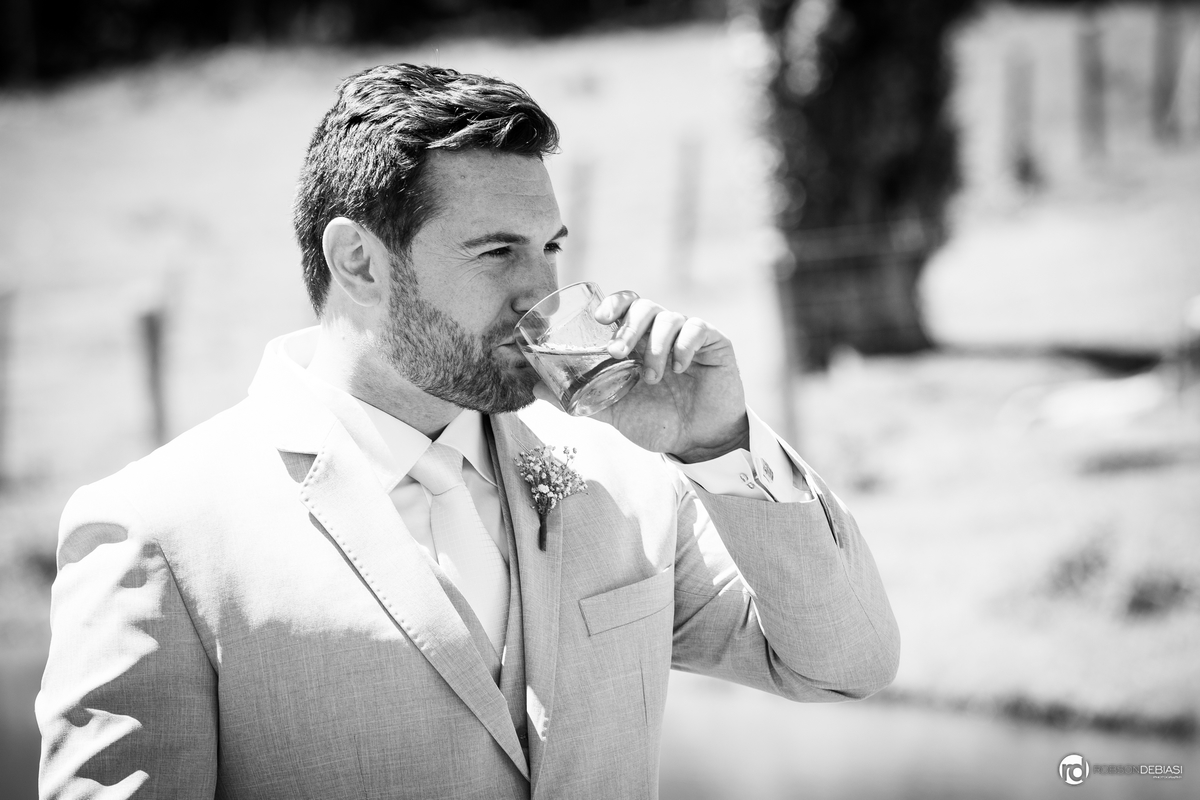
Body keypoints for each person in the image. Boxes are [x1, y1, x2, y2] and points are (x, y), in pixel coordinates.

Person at [36, 63, 899, 799]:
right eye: (497, 252)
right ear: (359, 261)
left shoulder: (627, 476)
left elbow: (843, 663)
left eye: (550, 247)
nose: (542, 292)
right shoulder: (159, 534)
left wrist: (718, 445)